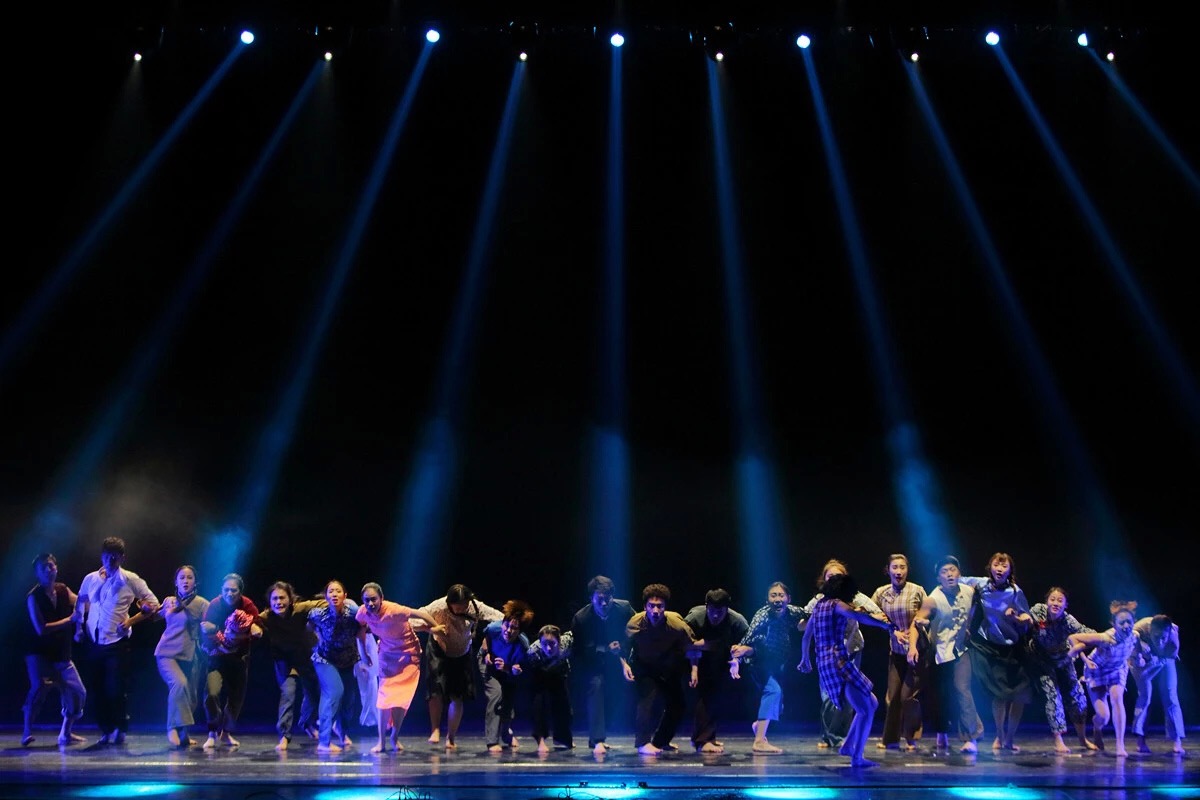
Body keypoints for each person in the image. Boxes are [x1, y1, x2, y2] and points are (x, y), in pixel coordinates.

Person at [799, 573, 893, 768]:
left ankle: (848, 746)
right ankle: (857, 757)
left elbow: (806, 636)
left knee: (872, 702)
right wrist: (883, 625)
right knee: (865, 710)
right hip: (838, 663)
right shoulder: (836, 604)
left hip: (827, 664)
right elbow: (857, 616)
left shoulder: (819, 606)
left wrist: (805, 658)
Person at [75, 536, 160, 744]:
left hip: (116, 642)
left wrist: (131, 621)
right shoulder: (91, 579)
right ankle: (106, 730)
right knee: (97, 689)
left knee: (115, 688)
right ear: (101, 556)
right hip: (94, 641)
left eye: (114, 557)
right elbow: (81, 600)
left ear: (122, 558)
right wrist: (78, 627)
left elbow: (153, 604)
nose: (110, 561)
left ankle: (120, 727)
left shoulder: (130, 579)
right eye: (107, 556)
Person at [907, 555, 983, 754]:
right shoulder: (933, 600)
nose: (949, 574)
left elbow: (975, 605)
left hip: (960, 650)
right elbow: (916, 623)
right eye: (944, 572)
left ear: (959, 573)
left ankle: (971, 737)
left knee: (962, 689)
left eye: (952, 570)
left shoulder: (969, 591)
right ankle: (942, 732)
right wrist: (912, 647)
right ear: (938, 578)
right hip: (939, 652)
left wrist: (968, 627)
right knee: (940, 696)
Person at [959, 553, 1034, 752]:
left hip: (1013, 647)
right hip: (991, 645)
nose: (1000, 569)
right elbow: (957, 579)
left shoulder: (1015, 591)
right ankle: (999, 737)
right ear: (990, 567)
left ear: (1010, 570)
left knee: (1019, 695)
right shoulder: (981, 585)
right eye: (996, 565)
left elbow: (1027, 618)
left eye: (1004, 566)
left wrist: (1017, 618)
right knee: (999, 694)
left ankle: (1009, 738)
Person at [356, 582, 443, 754]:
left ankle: (394, 736)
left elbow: (420, 614)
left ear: (381, 598)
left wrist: (436, 628)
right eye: (366, 600)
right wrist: (364, 655)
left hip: (407, 655)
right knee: (384, 699)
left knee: (401, 700)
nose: (370, 603)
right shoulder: (362, 612)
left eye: (374, 599)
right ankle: (381, 741)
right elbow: (360, 632)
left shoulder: (394, 610)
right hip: (387, 656)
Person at [415, 584, 503, 751]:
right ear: (450, 603)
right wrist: (431, 629)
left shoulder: (475, 607)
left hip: (462, 650)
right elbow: (412, 621)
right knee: (436, 689)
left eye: (464, 605)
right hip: (439, 649)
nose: (462, 609)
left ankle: (451, 737)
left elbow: (499, 618)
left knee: (458, 696)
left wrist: (490, 636)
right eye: (458, 606)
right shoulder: (438, 606)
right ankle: (435, 729)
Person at [730, 581, 807, 754]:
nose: (778, 599)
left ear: (788, 599)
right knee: (773, 691)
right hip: (759, 661)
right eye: (773, 595)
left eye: (781, 595)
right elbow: (746, 641)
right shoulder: (762, 617)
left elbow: (811, 614)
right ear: (767, 600)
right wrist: (736, 661)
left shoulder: (793, 612)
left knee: (778, 704)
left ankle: (758, 726)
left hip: (778, 662)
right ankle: (759, 741)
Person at [622, 583, 697, 755]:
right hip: (645, 666)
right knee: (647, 700)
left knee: (678, 704)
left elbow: (691, 647)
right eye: (651, 606)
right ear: (645, 607)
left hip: (668, 667)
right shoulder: (635, 623)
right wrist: (624, 665)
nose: (655, 610)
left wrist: (694, 670)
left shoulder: (677, 624)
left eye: (660, 606)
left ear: (665, 607)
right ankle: (642, 743)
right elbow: (623, 647)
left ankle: (661, 741)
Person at [23, 553, 87, 746]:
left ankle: (65, 733)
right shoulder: (33, 597)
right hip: (39, 654)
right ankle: (26, 732)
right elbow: (41, 629)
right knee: (39, 688)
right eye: (43, 567)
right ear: (37, 573)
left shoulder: (63, 590)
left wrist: (100, 588)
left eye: (51, 566)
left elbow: (82, 603)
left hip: (61, 653)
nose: (48, 570)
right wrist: (70, 620)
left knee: (78, 692)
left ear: (56, 568)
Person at [252, 581, 324, 750]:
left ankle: (306, 723)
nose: (279, 602)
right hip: (284, 661)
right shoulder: (266, 616)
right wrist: (254, 627)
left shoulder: (300, 609)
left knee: (313, 693)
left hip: (304, 658)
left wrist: (338, 600)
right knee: (288, 695)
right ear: (270, 601)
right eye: (275, 599)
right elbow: (252, 621)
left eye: (282, 598)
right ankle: (284, 735)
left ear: (290, 599)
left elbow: (321, 603)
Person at [569, 575, 636, 755]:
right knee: (596, 686)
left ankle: (651, 738)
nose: (604, 603)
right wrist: (605, 648)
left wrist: (623, 651)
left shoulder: (624, 609)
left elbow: (636, 630)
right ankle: (597, 740)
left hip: (622, 657)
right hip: (593, 661)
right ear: (591, 598)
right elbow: (580, 649)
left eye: (608, 598)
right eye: (599, 599)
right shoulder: (581, 618)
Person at [1027, 587, 1096, 753]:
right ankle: (1058, 740)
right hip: (1042, 660)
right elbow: (1024, 619)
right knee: (1053, 696)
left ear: (1065, 605)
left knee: (1077, 696)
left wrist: (1078, 648)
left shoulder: (1068, 620)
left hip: (1064, 659)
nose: (1055, 603)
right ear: (1046, 601)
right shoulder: (1038, 611)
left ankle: (1082, 739)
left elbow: (1091, 634)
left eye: (1060, 601)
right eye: (1052, 599)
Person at [1070, 601, 1143, 757]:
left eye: (1129, 622)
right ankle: (1097, 728)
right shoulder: (1105, 638)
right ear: (1114, 624)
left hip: (1117, 670)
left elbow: (1135, 648)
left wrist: (1137, 658)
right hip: (1096, 670)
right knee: (1103, 716)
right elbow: (1073, 638)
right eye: (1121, 623)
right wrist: (1085, 660)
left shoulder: (1135, 635)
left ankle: (1120, 745)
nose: (1126, 626)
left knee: (1117, 698)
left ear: (1134, 622)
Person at [870, 554, 926, 751]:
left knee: (907, 697)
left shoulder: (917, 590)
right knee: (892, 696)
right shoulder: (881, 593)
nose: (899, 571)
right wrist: (890, 629)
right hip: (896, 651)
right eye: (895, 567)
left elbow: (926, 614)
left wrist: (917, 630)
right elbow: (870, 614)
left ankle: (911, 738)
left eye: (902, 567)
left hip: (917, 650)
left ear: (907, 570)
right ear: (888, 570)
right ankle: (891, 739)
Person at [684, 588, 749, 754]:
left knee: (715, 697)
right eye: (711, 610)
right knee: (705, 696)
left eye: (720, 612)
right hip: (695, 658)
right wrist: (694, 668)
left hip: (722, 658)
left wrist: (736, 660)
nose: (715, 616)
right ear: (706, 606)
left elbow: (747, 643)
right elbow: (683, 643)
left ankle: (707, 737)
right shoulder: (695, 618)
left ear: (727, 609)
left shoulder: (737, 621)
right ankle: (703, 740)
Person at [200, 573, 258, 749]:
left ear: (240, 591)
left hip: (239, 657)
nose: (229, 593)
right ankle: (212, 731)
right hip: (217, 656)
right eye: (226, 590)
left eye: (234, 590)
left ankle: (226, 733)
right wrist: (220, 636)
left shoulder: (247, 605)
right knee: (211, 693)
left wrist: (252, 631)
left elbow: (256, 627)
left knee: (236, 697)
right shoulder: (215, 605)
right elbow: (205, 629)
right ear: (221, 590)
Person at [153, 565, 209, 748]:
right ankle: (172, 727)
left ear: (195, 582)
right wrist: (146, 609)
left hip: (191, 655)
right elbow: (153, 616)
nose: (186, 581)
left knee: (191, 698)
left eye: (189, 577)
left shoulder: (202, 604)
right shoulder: (169, 601)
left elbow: (215, 619)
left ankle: (184, 735)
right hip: (166, 653)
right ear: (176, 582)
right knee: (179, 684)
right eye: (182, 578)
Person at [309, 580, 367, 753]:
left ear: (345, 596)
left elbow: (364, 628)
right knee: (334, 692)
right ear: (326, 596)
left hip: (347, 660)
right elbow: (309, 625)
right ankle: (324, 742)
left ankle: (341, 732)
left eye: (338, 591)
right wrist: (318, 637)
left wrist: (365, 655)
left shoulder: (354, 613)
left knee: (348, 701)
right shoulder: (318, 614)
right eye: (331, 591)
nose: (334, 594)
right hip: (325, 659)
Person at [479, 600, 534, 752]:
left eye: (514, 628)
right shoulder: (494, 628)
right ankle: (492, 741)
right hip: (488, 663)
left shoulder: (522, 645)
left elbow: (520, 668)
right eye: (507, 625)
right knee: (496, 694)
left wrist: (509, 669)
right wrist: (487, 653)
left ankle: (506, 733)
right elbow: (486, 639)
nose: (508, 630)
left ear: (520, 631)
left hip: (507, 668)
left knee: (508, 698)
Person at [1130, 614, 1185, 755]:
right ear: (1150, 630)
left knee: (1171, 696)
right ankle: (1140, 740)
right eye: (1156, 636)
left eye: (1163, 638)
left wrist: (1155, 658)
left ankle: (1177, 740)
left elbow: (1169, 657)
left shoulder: (1173, 639)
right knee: (1145, 696)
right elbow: (1128, 647)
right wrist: (1140, 653)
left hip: (1164, 659)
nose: (1160, 641)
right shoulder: (1139, 629)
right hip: (1141, 659)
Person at [525, 625, 575, 753]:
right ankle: (540, 740)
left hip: (559, 672)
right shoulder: (533, 652)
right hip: (540, 674)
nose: (548, 648)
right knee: (539, 706)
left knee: (565, 707)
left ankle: (562, 738)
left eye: (552, 644)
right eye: (544, 644)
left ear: (559, 641)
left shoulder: (566, 642)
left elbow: (576, 632)